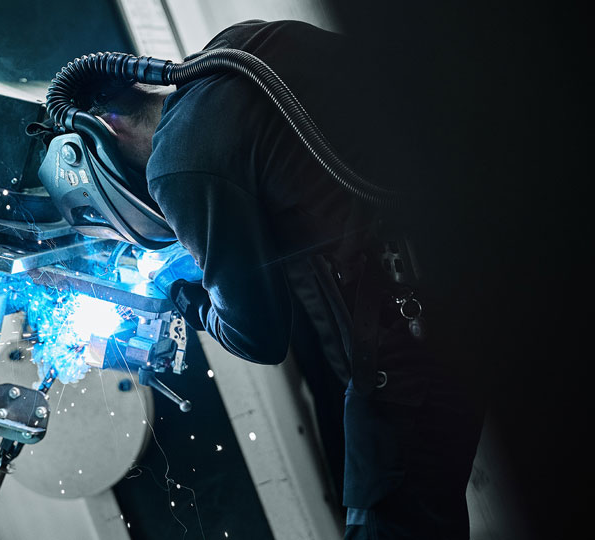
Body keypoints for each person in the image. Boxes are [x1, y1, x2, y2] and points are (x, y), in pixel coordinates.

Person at [81, 19, 486, 539]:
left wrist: (183, 296)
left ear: (107, 129)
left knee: (387, 521)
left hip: (418, 303)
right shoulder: (238, 46)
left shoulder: (175, 163)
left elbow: (258, 337)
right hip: (484, 233)